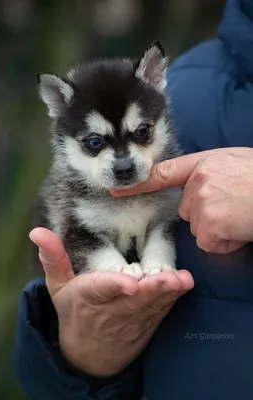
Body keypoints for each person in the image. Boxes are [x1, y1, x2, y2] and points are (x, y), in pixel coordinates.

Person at [14, 0, 253, 398]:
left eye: (142, 134)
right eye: (95, 143)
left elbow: (165, 221)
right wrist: (82, 353)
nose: (124, 162)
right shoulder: (198, 84)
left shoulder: (187, 107)